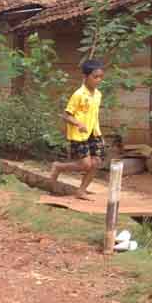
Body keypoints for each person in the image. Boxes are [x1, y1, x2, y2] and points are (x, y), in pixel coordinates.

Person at [50, 60, 106, 201]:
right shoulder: (79, 94)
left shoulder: (98, 94)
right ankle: (59, 167)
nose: (98, 80)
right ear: (85, 77)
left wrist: (99, 134)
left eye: (101, 77)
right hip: (78, 134)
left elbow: (94, 115)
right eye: (95, 77)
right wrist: (78, 123)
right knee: (85, 164)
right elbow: (66, 115)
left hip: (93, 133)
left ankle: (81, 191)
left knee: (96, 162)